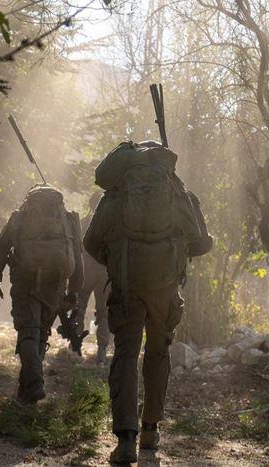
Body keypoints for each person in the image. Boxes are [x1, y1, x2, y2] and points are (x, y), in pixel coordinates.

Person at [84, 141, 212, 463]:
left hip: (126, 288)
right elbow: (202, 244)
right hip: (165, 291)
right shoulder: (180, 193)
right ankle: (151, 431)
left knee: (125, 356)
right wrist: (172, 251)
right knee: (158, 353)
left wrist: (117, 258)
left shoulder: (115, 196)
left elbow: (90, 243)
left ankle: (126, 441)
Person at [0, 184, 84, 404]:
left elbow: (1, 248)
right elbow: (78, 258)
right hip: (56, 282)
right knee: (40, 332)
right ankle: (27, 392)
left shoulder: (20, 218)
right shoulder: (68, 220)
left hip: (26, 280)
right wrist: (74, 291)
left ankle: (33, 384)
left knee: (28, 330)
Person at [73, 192, 111, 364]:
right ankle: (102, 350)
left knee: (79, 305)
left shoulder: (83, 223)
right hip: (105, 272)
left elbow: (75, 249)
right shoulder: (111, 225)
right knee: (104, 311)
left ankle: (76, 344)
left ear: (90, 205)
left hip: (86, 270)